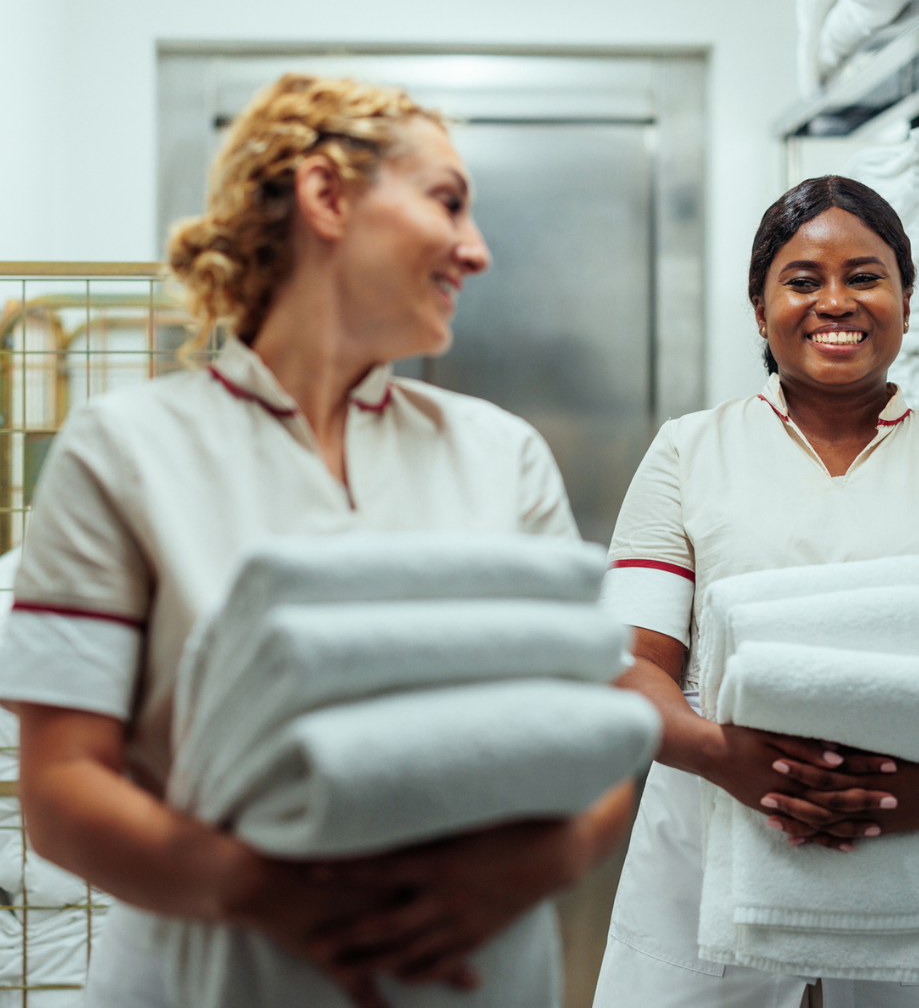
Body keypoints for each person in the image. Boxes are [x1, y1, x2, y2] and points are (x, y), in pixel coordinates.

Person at [0, 73, 634, 1008]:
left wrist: (530, 869)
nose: (478, 251)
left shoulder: (503, 457)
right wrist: (266, 895)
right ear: (327, 196)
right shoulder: (127, 450)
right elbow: (61, 792)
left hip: (473, 968)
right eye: (447, 202)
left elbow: (602, 730)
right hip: (211, 969)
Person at [590, 176, 919, 1008]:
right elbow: (632, 664)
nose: (834, 302)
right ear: (760, 305)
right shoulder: (687, 453)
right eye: (803, 280)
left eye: (866, 276)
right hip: (704, 858)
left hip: (909, 868)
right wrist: (730, 762)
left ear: (908, 300)